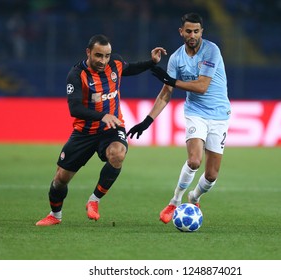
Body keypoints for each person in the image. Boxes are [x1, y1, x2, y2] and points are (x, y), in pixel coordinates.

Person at [36, 34, 166, 226]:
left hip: (112, 128)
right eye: (98, 55)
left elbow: (130, 68)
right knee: (60, 179)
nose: (103, 61)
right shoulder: (76, 75)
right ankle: (55, 215)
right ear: (88, 52)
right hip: (84, 133)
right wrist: (101, 116)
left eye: (106, 56)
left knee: (118, 154)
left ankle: (94, 200)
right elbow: (74, 108)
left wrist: (151, 62)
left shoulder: (115, 64)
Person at [127, 13, 231, 224]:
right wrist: (147, 121)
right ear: (181, 32)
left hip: (220, 115)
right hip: (196, 113)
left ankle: (195, 197)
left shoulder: (211, 50)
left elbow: (202, 86)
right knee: (194, 160)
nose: (192, 35)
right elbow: (166, 92)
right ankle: (175, 201)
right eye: (188, 31)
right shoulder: (176, 58)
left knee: (211, 175)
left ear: (202, 32)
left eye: (196, 31)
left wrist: (171, 80)